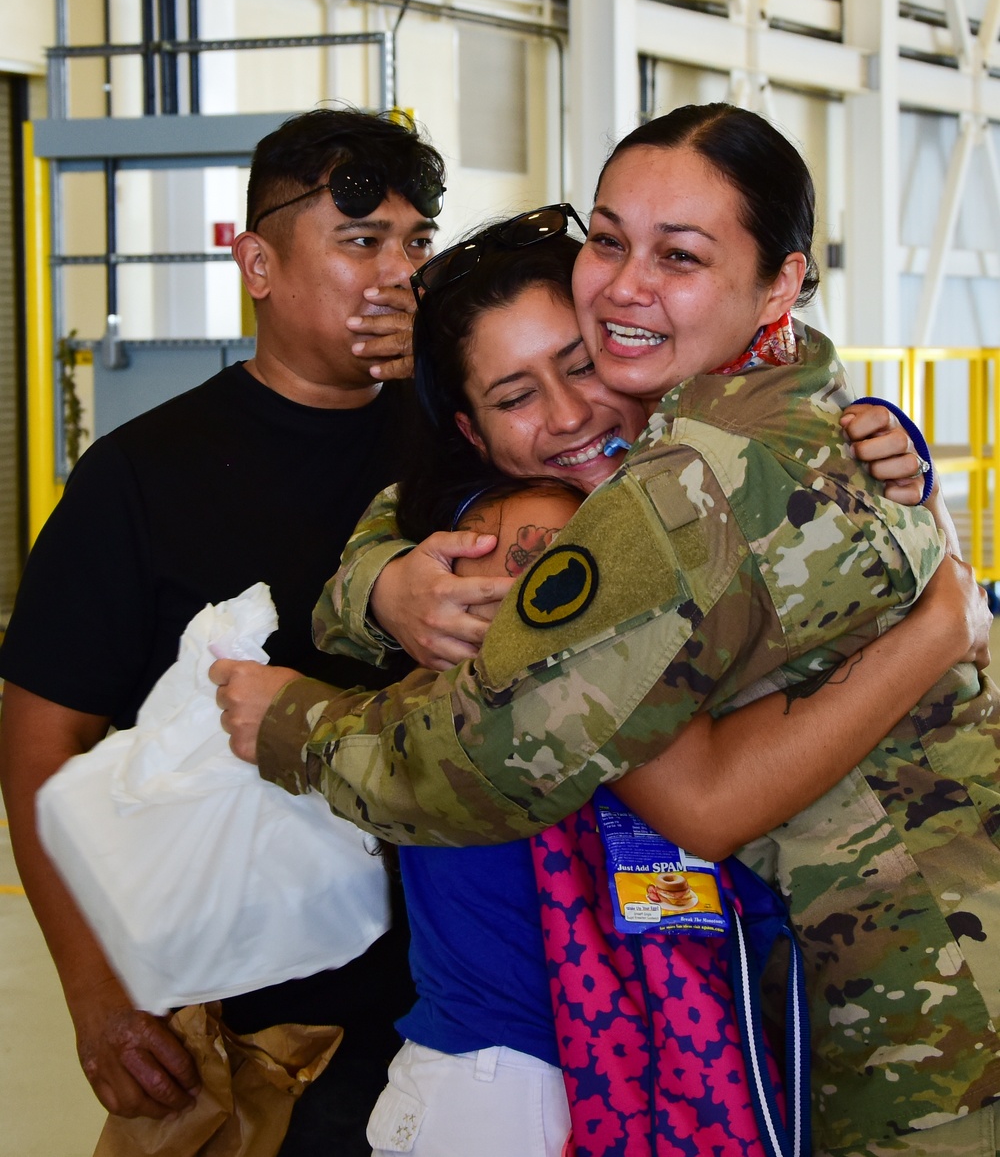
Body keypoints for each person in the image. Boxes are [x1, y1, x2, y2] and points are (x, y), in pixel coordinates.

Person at [215, 103, 1000, 1156]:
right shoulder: (791, 395)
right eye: (609, 239)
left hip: (914, 1023)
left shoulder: (679, 500)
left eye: (678, 255)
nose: (627, 288)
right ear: (470, 432)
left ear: (778, 279)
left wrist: (293, 724)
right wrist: (380, 582)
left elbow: (536, 770)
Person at [0, 107, 456, 1156]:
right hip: (252, 1027)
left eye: (416, 242)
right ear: (257, 259)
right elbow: (39, 746)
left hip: (468, 1005)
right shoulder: (143, 476)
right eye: (360, 240)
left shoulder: (466, 447)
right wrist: (95, 991)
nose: (396, 272)